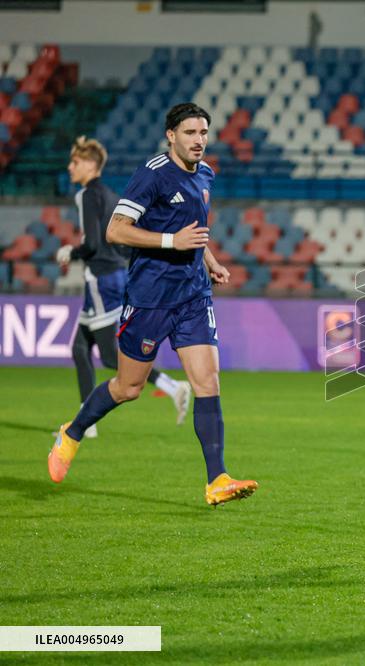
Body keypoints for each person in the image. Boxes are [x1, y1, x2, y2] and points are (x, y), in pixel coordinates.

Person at [48, 103, 258, 507]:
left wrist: (209, 260)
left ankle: (217, 478)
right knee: (129, 387)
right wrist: (170, 242)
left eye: (203, 133)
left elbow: (194, 231)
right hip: (149, 298)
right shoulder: (153, 174)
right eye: (190, 133)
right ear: (171, 136)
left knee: (208, 382)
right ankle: (72, 432)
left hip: (193, 296)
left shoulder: (206, 175)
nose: (199, 140)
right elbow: (115, 231)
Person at [58, 136, 191, 438]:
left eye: (75, 162)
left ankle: (169, 386)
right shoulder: (109, 194)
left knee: (109, 357)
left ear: (91, 164)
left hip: (101, 279)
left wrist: (71, 252)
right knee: (79, 348)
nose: (70, 167)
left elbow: (92, 243)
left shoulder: (86, 195)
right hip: (116, 274)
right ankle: (85, 418)